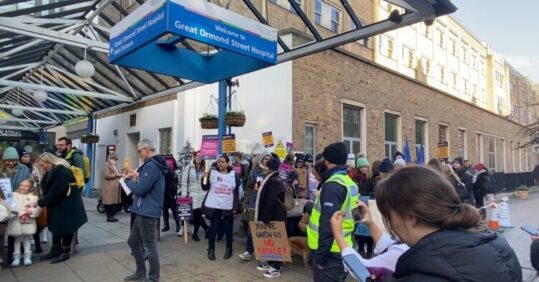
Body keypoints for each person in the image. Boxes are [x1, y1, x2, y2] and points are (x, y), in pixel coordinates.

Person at [375, 166, 522, 281]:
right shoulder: (499, 247)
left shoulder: (424, 270)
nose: (392, 226)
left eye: (389, 215)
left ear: (411, 217)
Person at [307, 142, 359, 282]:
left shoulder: (332, 185)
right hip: (343, 246)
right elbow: (355, 218)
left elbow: (327, 225)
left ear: (328, 160)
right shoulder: (349, 182)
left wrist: (321, 259)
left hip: (330, 253)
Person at [123, 139, 168, 282]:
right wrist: (135, 176)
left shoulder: (151, 166)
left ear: (147, 149)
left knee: (150, 246)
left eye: (140, 151)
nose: (139, 154)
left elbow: (141, 189)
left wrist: (127, 181)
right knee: (133, 242)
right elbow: (146, 183)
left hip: (148, 211)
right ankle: (140, 273)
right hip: (143, 210)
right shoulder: (151, 165)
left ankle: (153, 278)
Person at [331, 201, 409, 281]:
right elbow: (391, 246)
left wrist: (337, 234)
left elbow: (362, 269)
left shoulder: (404, 253)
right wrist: (370, 223)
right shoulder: (413, 244)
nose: (389, 221)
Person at [36, 152, 88, 264]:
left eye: (43, 164)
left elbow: (57, 191)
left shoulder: (61, 171)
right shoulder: (52, 171)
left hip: (67, 205)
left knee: (67, 228)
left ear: (49, 161)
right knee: (56, 227)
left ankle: (65, 252)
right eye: (41, 165)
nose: (42, 167)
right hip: (59, 205)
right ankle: (55, 249)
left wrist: (41, 203)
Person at [201, 155, 241, 261]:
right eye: (219, 162)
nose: (220, 163)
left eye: (222, 162)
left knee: (228, 230)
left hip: (228, 206)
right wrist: (204, 177)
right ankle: (211, 250)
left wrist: (235, 208)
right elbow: (205, 188)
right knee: (213, 229)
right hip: (215, 207)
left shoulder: (234, 175)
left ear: (228, 163)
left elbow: (236, 193)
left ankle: (229, 249)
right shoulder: (212, 173)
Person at [254, 155, 287, 278]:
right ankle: (270, 262)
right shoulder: (272, 178)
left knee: (277, 241)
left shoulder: (274, 181)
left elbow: (270, 201)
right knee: (271, 241)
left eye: (266, 167)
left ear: (270, 168)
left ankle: (277, 267)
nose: (264, 169)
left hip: (275, 216)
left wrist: (265, 217)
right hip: (272, 215)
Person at [1, 147, 31, 265]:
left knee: (18, 230)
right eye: (8, 160)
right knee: (4, 231)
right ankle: (6, 255)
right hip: (4, 203)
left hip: (20, 202)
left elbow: (29, 182)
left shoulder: (23, 168)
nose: (11, 163)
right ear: (4, 160)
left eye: (13, 160)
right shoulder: (1, 170)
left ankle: (17, 254)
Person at [239, 153, 271, 261]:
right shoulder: (254, 172)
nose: (267, 160)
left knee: (263, 229)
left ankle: (263, 252)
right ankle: (248, 251)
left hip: (265, 205)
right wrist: (246, 203)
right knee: (252, 228)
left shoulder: (272, 173)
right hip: (253, 204)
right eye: (265, 158)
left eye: (269, 159)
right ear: (261, 160)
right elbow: (248, 189)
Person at [7, 179, 41, 267]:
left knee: (27, 238)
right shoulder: (13, 195)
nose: (23, 187)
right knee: (17, 239)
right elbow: (10, 208)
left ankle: (27, 256)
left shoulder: (33, 196)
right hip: (15, 220)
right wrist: (17, 213)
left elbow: (37, 209)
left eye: (26, 186)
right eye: (22, 185)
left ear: (30, 188)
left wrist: (32, 211)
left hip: (28, 221)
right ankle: (17, 257)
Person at [180, 151, 209, 241]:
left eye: (200, 156)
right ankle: (206, 228)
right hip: (192, 194)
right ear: (194, 157)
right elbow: (184, 182)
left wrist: (206, 177)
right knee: (196, 214)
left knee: (198, 214)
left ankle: (195, 233)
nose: (198, 158)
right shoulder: (188, 168)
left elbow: (207, 183)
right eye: (197, 156)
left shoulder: (205, 168)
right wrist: (184, 195)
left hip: (202, 194)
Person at [352, 155, 375, 258]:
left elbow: (373, 190)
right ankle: (361, 250)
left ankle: (369, 251)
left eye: (365, 166)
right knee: (359, 229)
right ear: (358, 168)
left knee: (368, 229)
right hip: (358, 205)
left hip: (368, 205)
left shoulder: (372, 178)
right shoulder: (355, 178)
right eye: (362, 167)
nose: (364, 169)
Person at [100, 152, 122, 222]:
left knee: (112, 203)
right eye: (114, 159)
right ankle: (109, 217)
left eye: (116, 160)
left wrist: (121, 172)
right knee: (109, 203)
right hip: (108, 188)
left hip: (113, 189)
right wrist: (116, 175)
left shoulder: (114, 166)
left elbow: (117, 172)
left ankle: (112, 216)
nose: (115, 161)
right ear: (110, 159)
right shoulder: (106, 165)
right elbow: (107, 175)